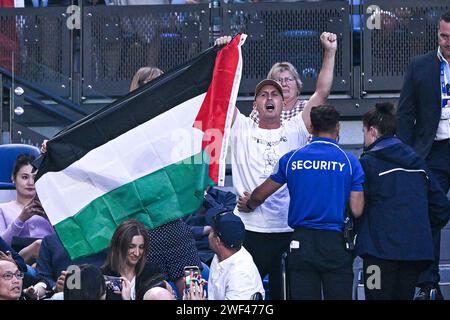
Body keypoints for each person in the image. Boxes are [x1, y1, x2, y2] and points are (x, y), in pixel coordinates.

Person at [215, 32, 336, 300]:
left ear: (284, 103)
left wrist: (329, 52)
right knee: (247, 297)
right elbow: (221, 94)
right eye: (263, 94)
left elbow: (322, 92)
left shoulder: (296, 128)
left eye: (275, 94)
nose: (269, 98)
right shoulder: (241, 126)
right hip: (249, 229)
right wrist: (221, 53)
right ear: (256, 104)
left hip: (287, 228)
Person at [240, 105, 365, 300]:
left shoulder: (292, 159)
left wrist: (248, 205)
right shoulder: (349, 162)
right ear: (338, 128)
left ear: (311, 129)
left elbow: (258, 196)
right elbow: (357, 210)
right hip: (335, 242)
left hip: (301, 242)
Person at [356, 102, 450, 300]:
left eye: (363, 131)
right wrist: (420, 227)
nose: (363, 137)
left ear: (372, 131)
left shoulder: (367, 163)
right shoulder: (419, 164)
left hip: (377, 256)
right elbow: (441, 206)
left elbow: (356, 206)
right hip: (413, 256)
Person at [129, 66, 202, 296]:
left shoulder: (179, 120)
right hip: (144, 235)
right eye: (149, 85)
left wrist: (220, 51)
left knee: (195, 292)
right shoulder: (124, 129)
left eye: (160, 84)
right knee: (155, 295)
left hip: (176, 230)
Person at [396, 11, 450, 300]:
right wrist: (407, 153)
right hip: (434, 150)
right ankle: (429, 283)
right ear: (437, 34)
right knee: (431, 213)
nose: (447, 42)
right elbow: (405, 114)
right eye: (443, 36)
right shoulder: (420, 66)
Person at [0, 154, 54, 265]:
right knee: (38, 246)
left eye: (34, 177)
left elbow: (67, 241)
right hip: (16, 263)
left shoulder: (52, 208)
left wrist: (49, 218)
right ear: (13, 178)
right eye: (24, 177)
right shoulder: (3, 209)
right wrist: (21, 219)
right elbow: (1, 245)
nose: (30, 183)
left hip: (50, 261)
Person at [249, 58, 334, 124]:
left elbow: (322, 92)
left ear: (297, 84)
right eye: (279, 80)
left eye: (288, 79)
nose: (284, 84)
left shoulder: (307, 107)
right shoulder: (261, 109)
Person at [206, 207, 264, 300]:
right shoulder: (221, 254)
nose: (209, 234)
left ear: (217, 241)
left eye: (212, 231)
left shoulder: (240, 277)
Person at [102, 219, 157, 300]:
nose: (137, 253)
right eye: (131, 246)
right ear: (119, 245)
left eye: (141, 247)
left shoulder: (152, 272)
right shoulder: (104, 276)